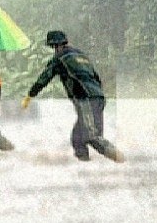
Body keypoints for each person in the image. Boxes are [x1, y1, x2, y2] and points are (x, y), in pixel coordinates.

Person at [22, 30, 125, 163]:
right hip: (98, 97)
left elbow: (44, 78)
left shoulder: (59, 58)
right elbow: (96, 77)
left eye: (53, 47)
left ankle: (121, 159)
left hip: (85, 98)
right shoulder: (81, 56)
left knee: (92, 136)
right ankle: (84, 163)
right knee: (77, 137)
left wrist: (30, 95)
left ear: (55, 45)